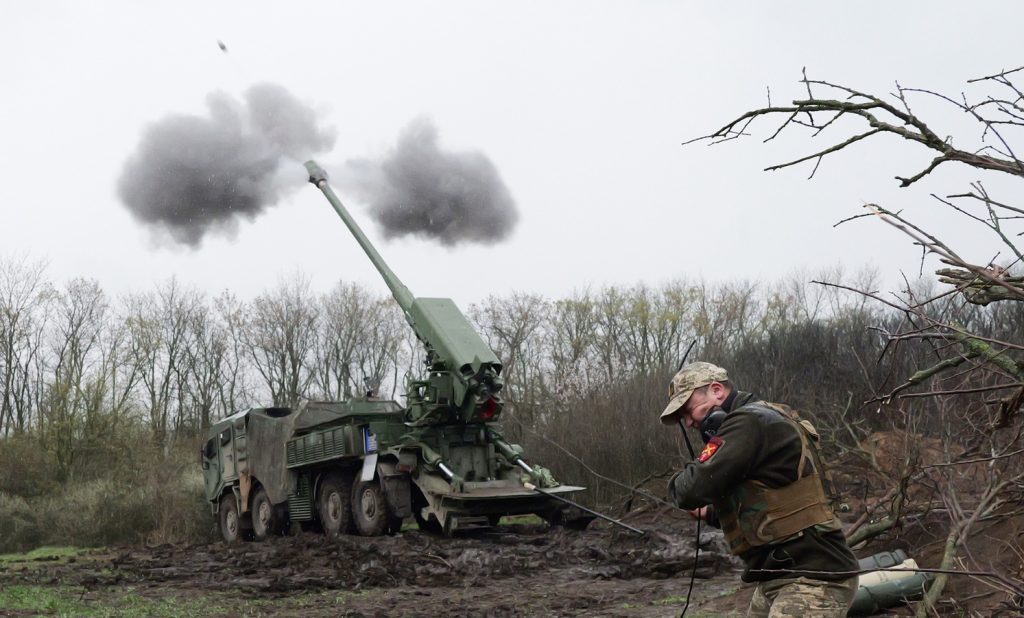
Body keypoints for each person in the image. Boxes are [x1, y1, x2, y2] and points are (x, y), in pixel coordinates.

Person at [660, 361, 858, 617]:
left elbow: (689, 489)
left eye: (688, 410)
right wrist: (709, 514)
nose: (688, 422)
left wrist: (689, 472)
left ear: (717, 390)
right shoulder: (762, 418)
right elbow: (768, 504)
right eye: (683, 418)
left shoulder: (748, 422)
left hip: (813, 577)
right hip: (782, 576)